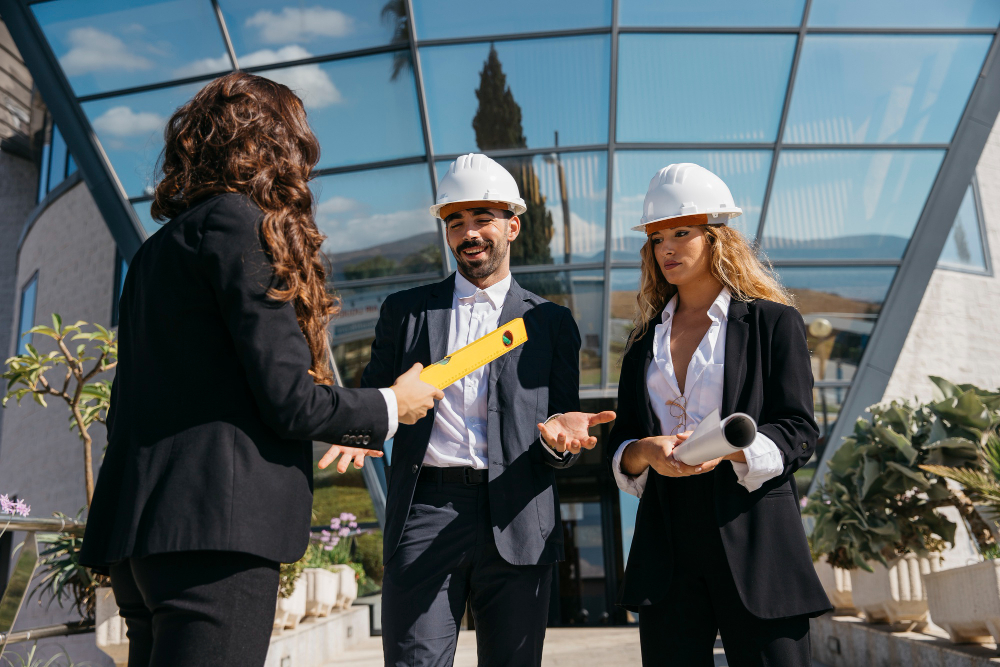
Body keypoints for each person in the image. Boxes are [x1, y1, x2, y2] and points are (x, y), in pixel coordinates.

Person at [79, 73, 442, 667]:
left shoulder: (154, 252)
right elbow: (289, 399)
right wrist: (389, 405)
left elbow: (128, 409)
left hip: (141, 540)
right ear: (277, 145)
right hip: (216, 535)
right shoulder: (241, 225)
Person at [362, 153, 615, 667]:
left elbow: (560, 432)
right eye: (456, 222)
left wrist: (560, 441)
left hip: (521, 512)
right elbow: (374, 401)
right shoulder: (405, 311)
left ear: (513, 226)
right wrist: (353, 428)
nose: (468, 233)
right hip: (425, 512)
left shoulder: (551, 323)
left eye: (482, 220)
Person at [609, 163, 831, 666]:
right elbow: (622, 441)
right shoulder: (642, 342)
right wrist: (643, 453)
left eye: (682, 233)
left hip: (755, 534)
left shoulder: (774, 322)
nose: (667, 247)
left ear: (716, 238)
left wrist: (736, 447)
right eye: (657, 237)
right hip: (666, 541)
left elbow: (798, 430)